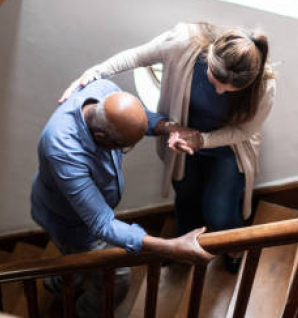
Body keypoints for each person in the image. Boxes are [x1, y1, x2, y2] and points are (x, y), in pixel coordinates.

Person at [61, 22, 275, 273]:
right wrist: (94, 73)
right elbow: (137, 56)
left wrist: (202, 140)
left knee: (219, 209)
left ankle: (234, 248)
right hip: (185, 138)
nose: (218, 91)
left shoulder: (264, 87)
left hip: (229, 146)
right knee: (185, 195)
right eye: (215, 81)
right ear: (209, 58)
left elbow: (244, 132)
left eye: (229, 90)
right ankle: (183, 246)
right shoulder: (183, 42)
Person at [31, 79, 212, 316]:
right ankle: (84, 312)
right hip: (71, 222)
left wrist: (169, 128)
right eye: (123, 147)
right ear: (101, 136)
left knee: (75, 261)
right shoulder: (62, 149)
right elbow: (101, 223)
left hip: (79, 211)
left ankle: (61, 281)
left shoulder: (105, 90)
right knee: (117, 281)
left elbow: (136, 120)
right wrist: (170, 247)